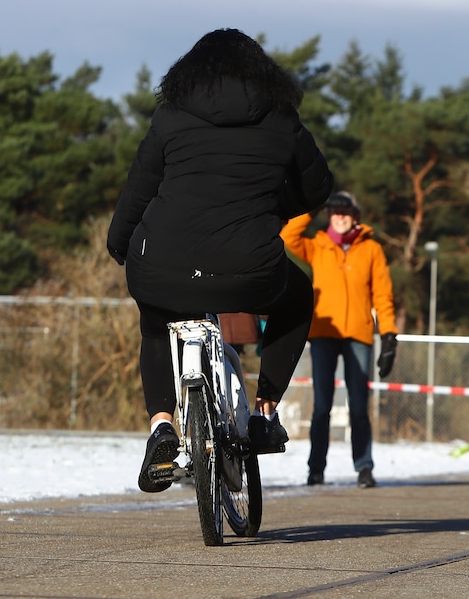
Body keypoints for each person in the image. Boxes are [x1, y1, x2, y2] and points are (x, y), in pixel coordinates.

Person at [106, 28, 334, 493]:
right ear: (261, 73)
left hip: (165, 262)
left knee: (156, 316)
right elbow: (318, 188)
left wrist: (119, 241)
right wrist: (268, 207)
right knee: (296, 298)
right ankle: (263, 412)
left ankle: (162, 425)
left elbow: (140, 188)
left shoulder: (171, 116)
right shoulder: (280, 116)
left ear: (190, 73)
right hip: (250, 269)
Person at [281, 191, 397, 489]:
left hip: (358, 334)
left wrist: (389, 334)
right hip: (323, 333)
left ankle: (364, 468)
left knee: (359, 406)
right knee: (322, 407)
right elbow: (289, 234)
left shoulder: (371, 249)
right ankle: (316, 469)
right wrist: (314, 202)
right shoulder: (317, 245)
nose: (340, 216)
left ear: (355, 215)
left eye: (345, 211)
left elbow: (382, 295)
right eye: (334, 211)